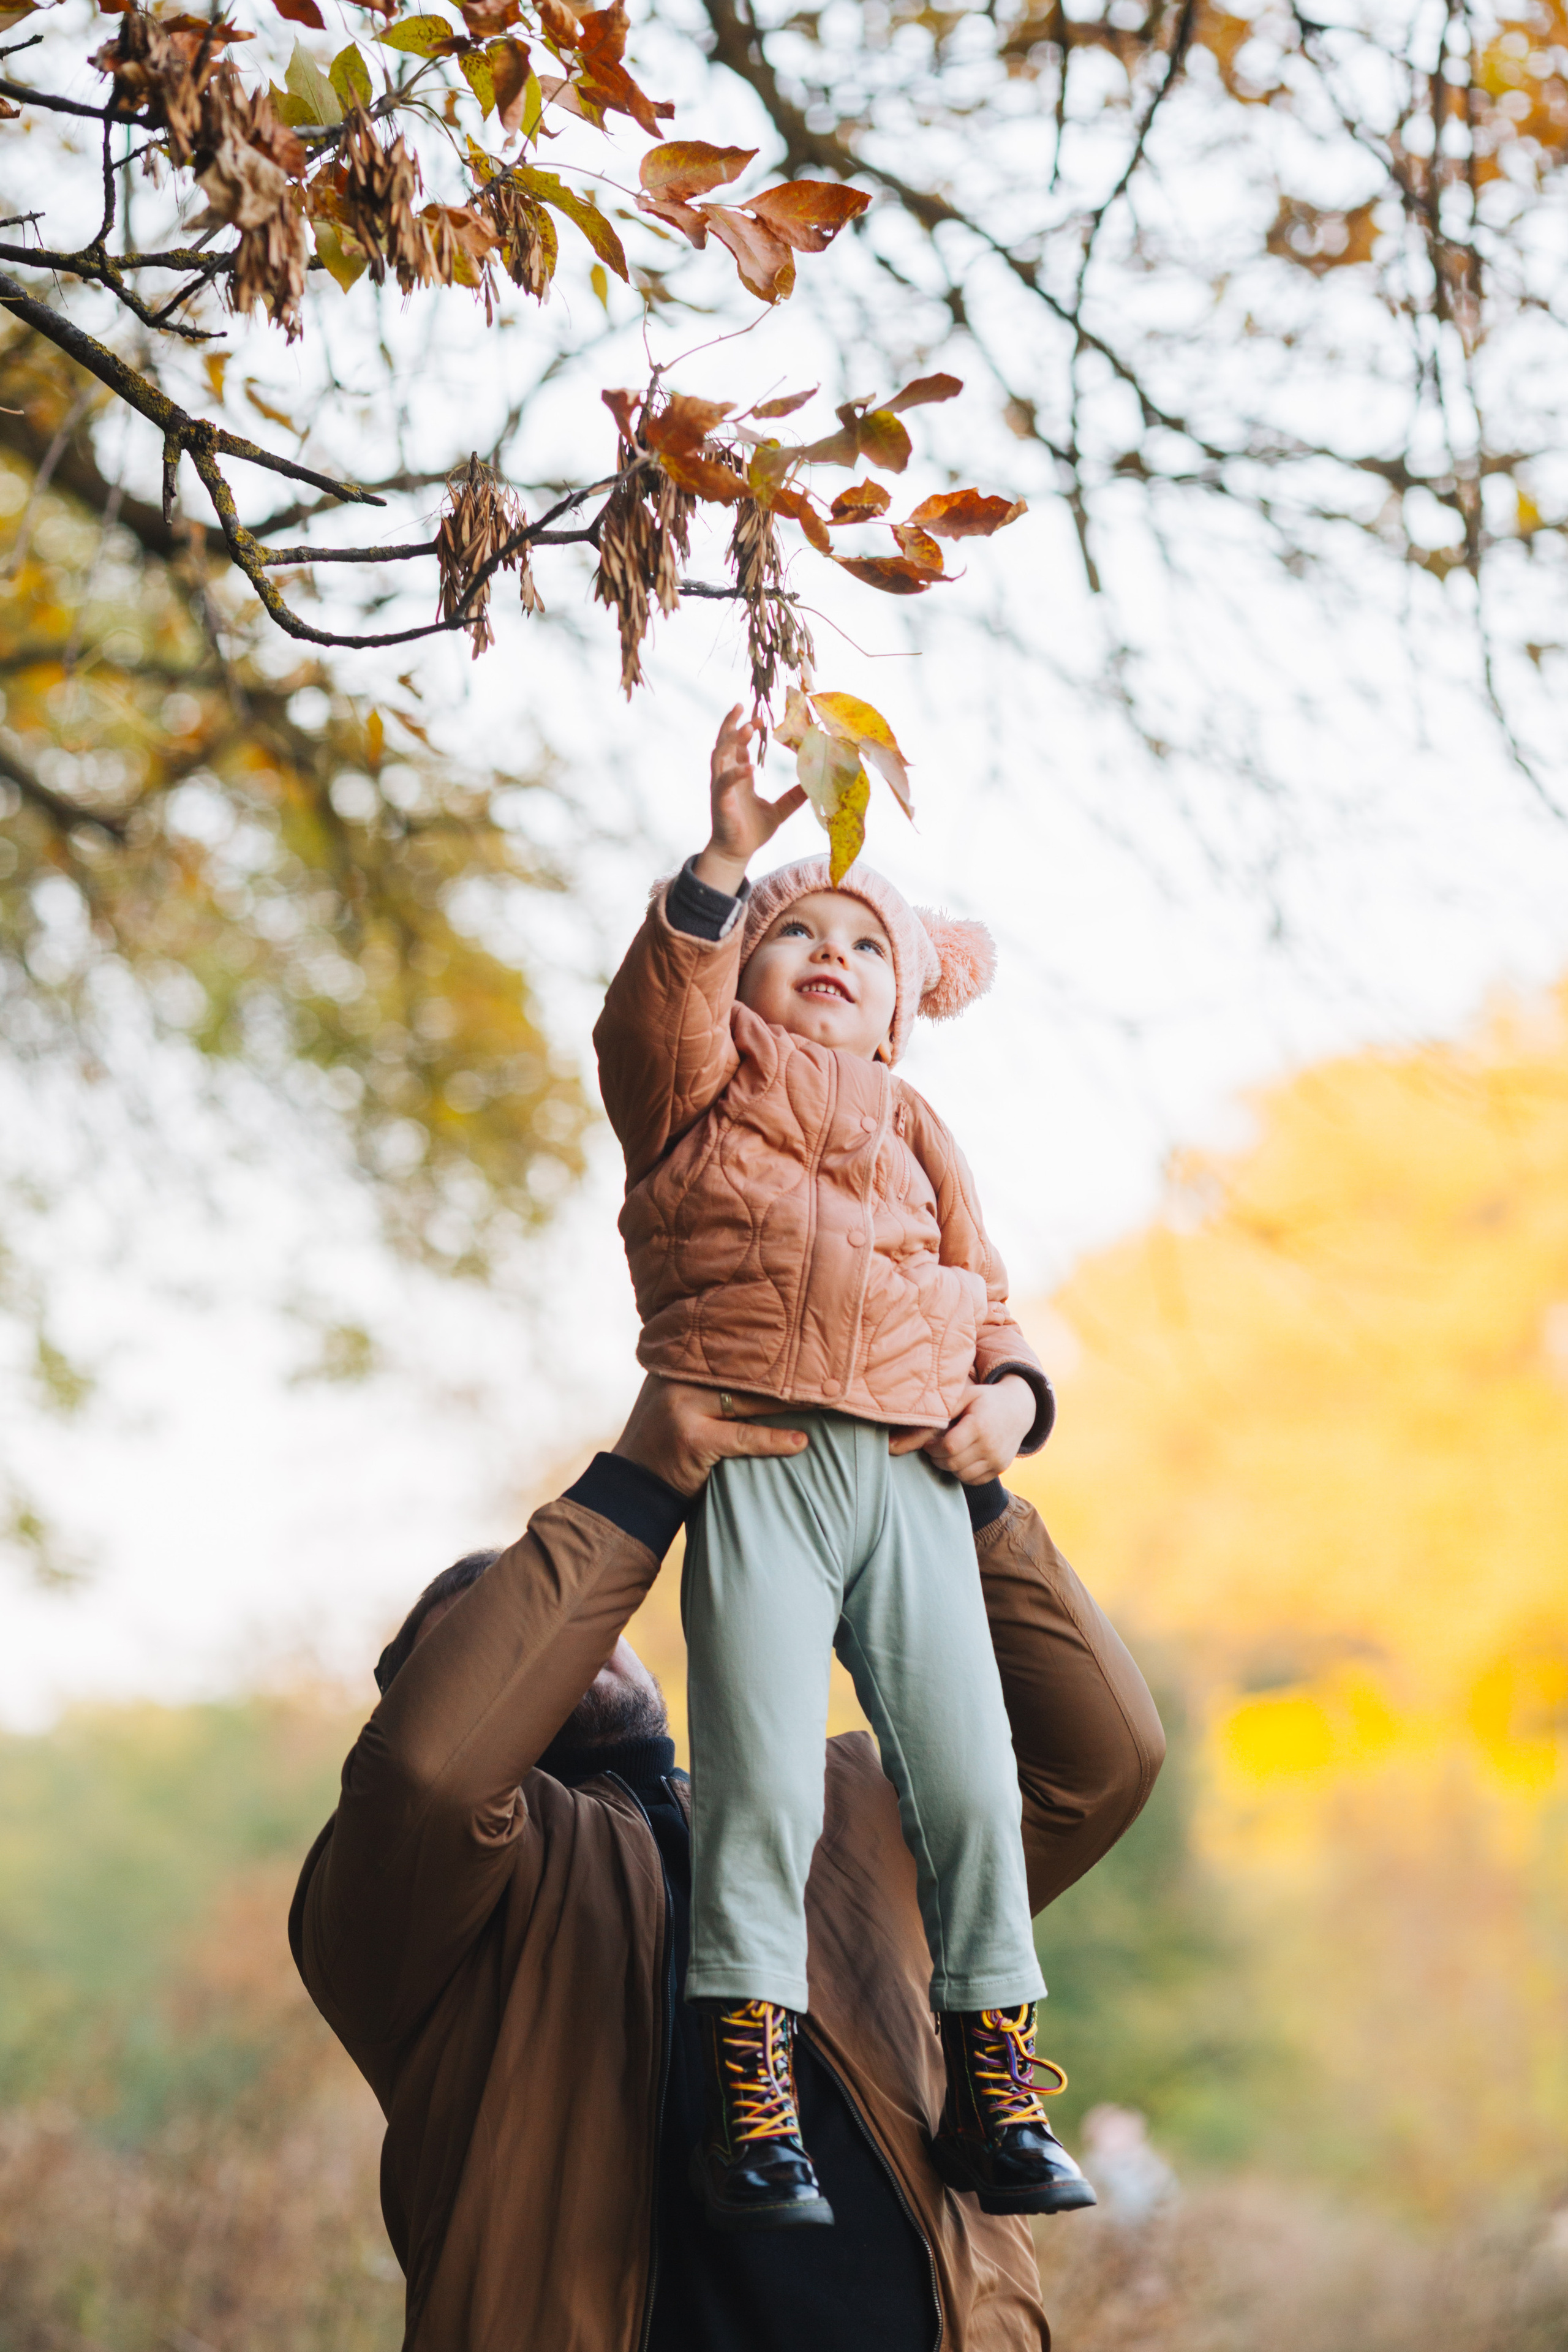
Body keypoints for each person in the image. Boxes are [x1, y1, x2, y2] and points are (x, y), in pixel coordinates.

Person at [289, 1378, 1164, 2352]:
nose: (569, 1645)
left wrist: (960, 1495)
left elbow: (1103, 1763)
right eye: (502, 1629)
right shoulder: (410, 1903)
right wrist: (639, 1482)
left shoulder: (851, 1810)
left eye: (581, 1617)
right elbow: (429, 1776)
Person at [594, 706, 1077, 2226]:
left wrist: (1014, 1402)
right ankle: (753, 2089)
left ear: (898, 1003)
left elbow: (987, 1302)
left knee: (974, 1786)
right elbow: (644, 1021)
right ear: (742, 974)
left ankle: (992, 2078)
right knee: (754, 1782)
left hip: (915, 1480)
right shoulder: (697, 1088)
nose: (826, 955)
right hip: (764, 1461)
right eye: (788, 934)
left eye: (862, 947)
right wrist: (725, 860)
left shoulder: (923, 1130)